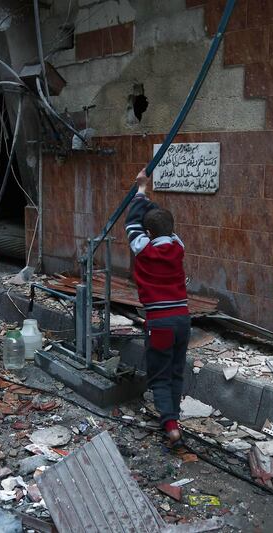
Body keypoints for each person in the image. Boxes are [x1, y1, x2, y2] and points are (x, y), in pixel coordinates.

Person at [125, 168, 191, 447]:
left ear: (149, 233)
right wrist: (148, 199)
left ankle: (171, 425)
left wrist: (141, 190)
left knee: (160, 375)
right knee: (176, 370)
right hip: (182, 319)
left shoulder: (145, 250)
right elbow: (159, 225)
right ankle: (173, 415)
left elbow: (132, 224)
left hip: (160, 322)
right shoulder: (178, 247)